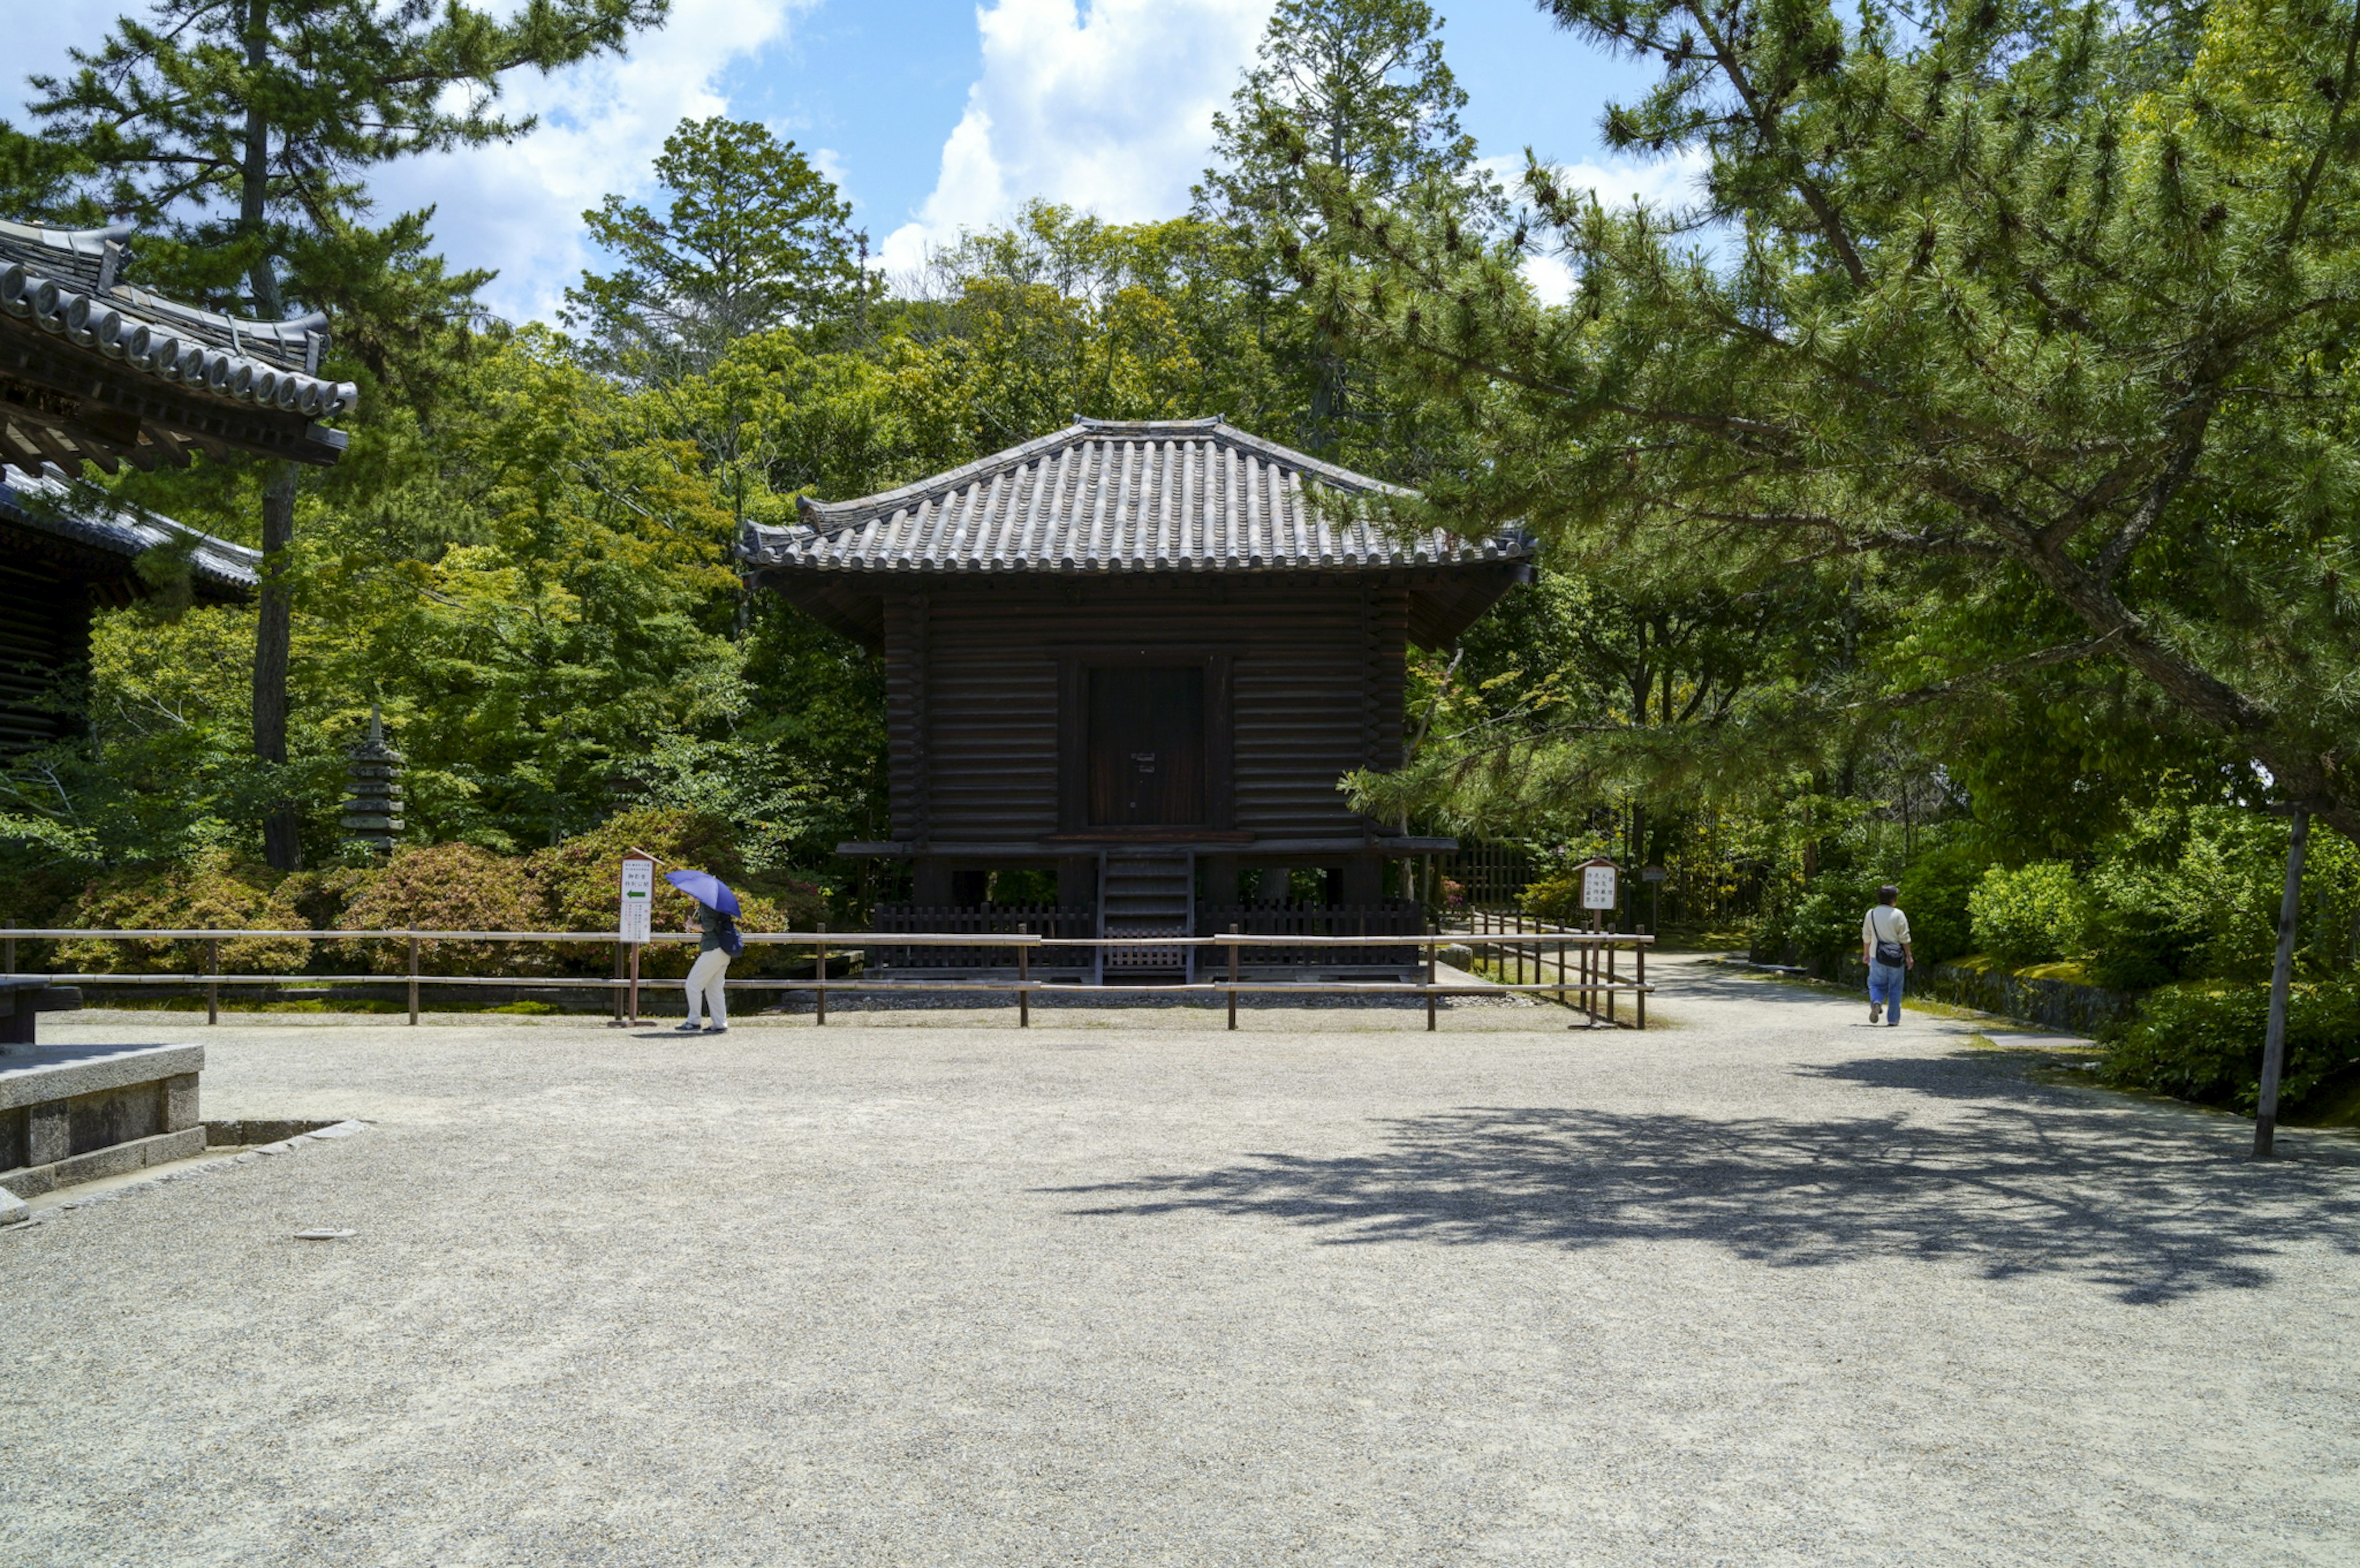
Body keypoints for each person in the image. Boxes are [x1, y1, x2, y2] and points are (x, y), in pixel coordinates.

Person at [678, 898, 739, 1035]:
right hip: (723, 950)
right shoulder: (715, 904)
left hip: (713, 950)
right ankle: (719, 1023)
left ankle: (694, 1021)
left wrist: (692, 926)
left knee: (693, 984)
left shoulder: (707, 904)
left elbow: (708, 927)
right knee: (714, 989)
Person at [1861, 884, 1913, 1025]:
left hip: (1876, 955)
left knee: (1876, 984)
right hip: (1895, 957)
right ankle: (1893, 1019)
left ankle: (1877, 1001)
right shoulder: (1898, 914)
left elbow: (1867, 937)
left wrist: (1866, 954)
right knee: (1895, 987)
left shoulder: (1871, 914)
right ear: (1893, 899)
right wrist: (1909, 956)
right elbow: (1905, 938)